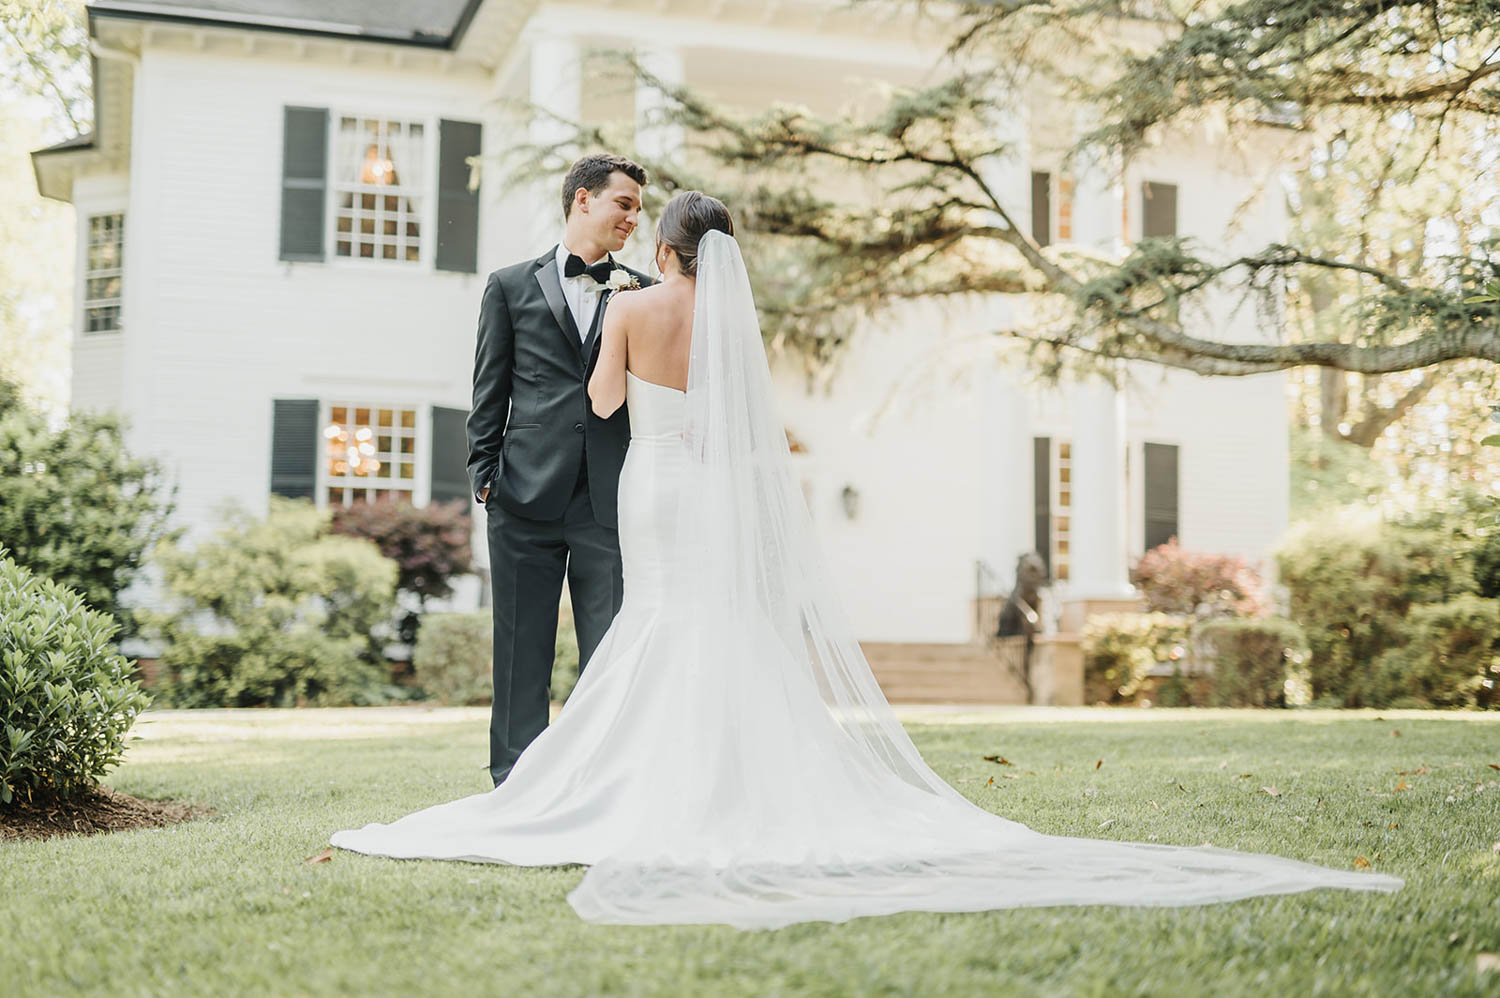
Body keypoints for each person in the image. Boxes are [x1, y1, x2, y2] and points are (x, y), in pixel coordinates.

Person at [331, 191, 1401, 930]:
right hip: (706, 485)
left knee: (658, 621)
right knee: (718, 623)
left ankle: (622, 780)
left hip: (649, 487)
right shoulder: (734, 325)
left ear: (662, 247)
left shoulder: (629, 306)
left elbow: (606, 403)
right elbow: (744, 432)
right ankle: (732, 780)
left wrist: (614, 373)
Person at [463, 153, 652, 788]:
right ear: (583, 200)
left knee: (609, 654)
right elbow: (489, 391)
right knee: (520, 653)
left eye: (638, 208)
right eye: (623, 203)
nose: (633, 217)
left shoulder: (643, 292)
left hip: (609, 501)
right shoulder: (509, 286)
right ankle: (516, 784)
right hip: (521, 496)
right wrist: (484, 477)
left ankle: (601, 781)